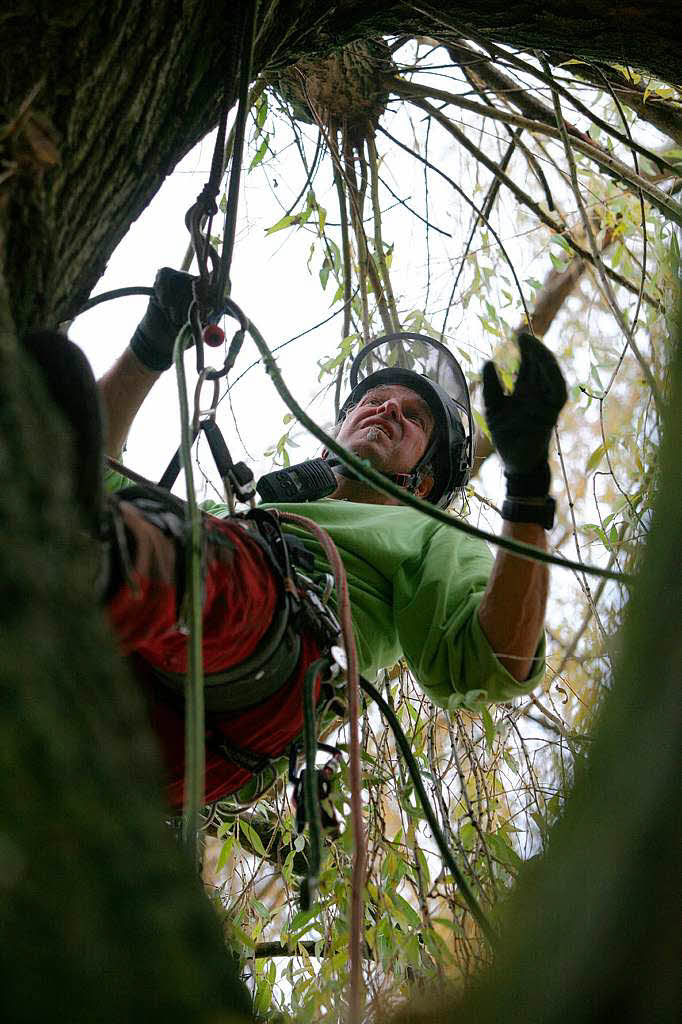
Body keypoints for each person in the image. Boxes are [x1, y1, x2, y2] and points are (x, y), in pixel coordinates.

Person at [97, 269, 567, 808]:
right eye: (374, 402)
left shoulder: (427, 534)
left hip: (269, 672)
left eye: (413, 418)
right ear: (331, 441)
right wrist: (151, 343)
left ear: (426, 480)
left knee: (180, 553)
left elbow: (493, 659)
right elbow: (81, 469)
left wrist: (528, 483)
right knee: (59, 396)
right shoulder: (244, 516)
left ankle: (90, 570)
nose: (389, 409)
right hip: (139, 693)